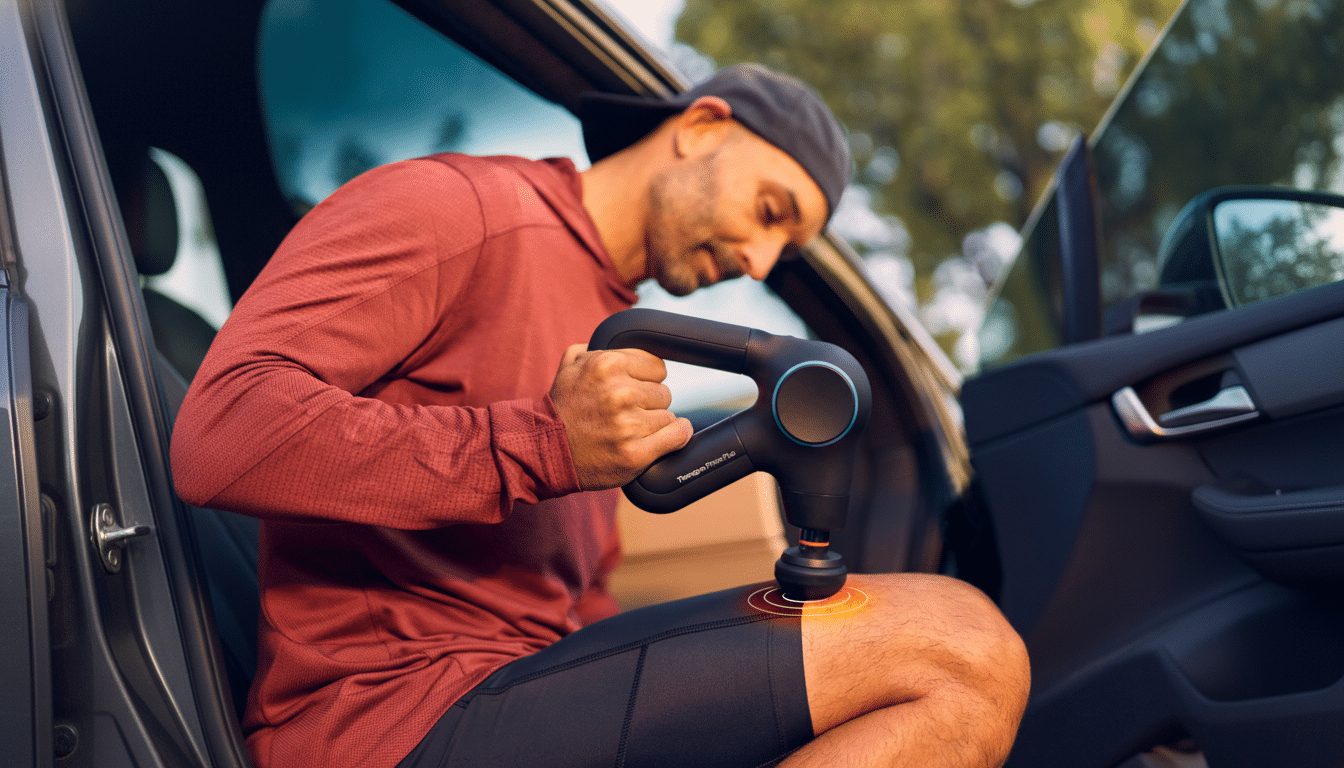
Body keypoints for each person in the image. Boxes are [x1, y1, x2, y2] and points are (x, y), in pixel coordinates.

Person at [171, 63, 1030, 768]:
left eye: (786, 253)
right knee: (963, 651)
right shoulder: (460, 209)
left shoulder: (616, 329)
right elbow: (221, 432)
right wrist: (537, 444)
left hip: (524, 693)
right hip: (390, 720)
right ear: (701, 128)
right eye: (770, 213)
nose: (759, 260)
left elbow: (572, 608)